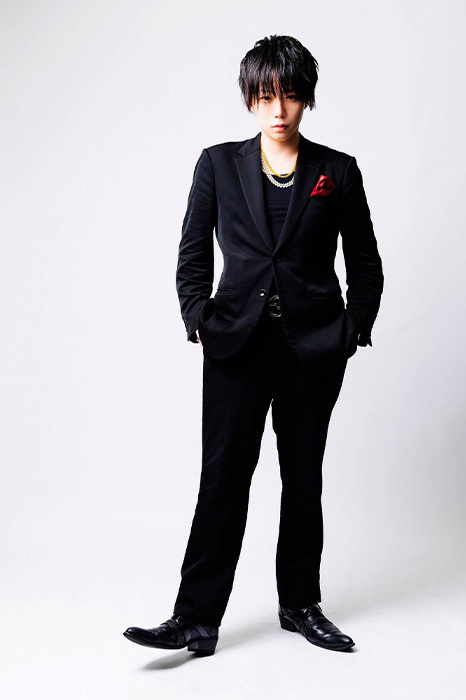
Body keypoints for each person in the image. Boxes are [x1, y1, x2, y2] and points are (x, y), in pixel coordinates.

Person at [124, 34, 384, 656]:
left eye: (289, 95)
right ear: (249, 99)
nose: (278, 109)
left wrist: (352, 330)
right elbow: (192, 253)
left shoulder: (337, 171)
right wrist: (198, 318)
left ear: (306, 99)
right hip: (235, 345)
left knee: (303, 477)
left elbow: (365, 262)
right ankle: (195, 619)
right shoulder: (217, 164)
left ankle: (300, 604)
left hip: (312, 348)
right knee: (222, 479)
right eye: (265, 96)